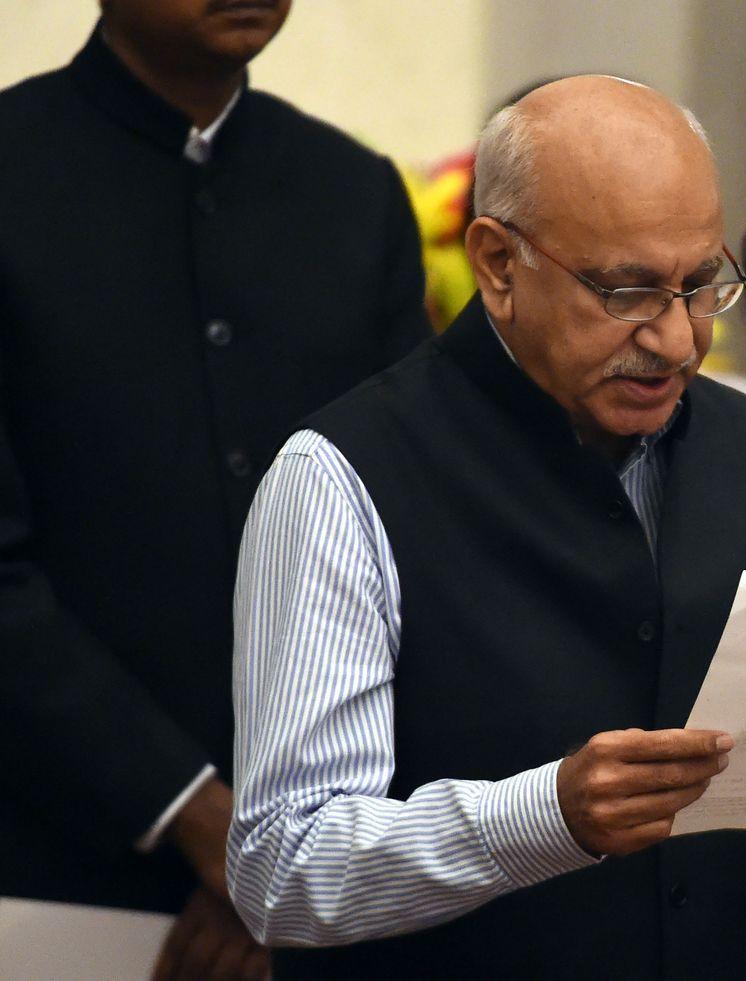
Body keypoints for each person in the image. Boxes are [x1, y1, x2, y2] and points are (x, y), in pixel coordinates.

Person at [226, 76, 746, 980]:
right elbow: (281, 868)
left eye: (700, 284)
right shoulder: (340, 478)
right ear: (497, 263)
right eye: (628, 291)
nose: (677, 340)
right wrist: (545, 817)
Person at [0, 1, 430, 978]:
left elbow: (407, 544)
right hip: (47, 860)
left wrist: (284, 846)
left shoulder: (352, 194)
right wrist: (202, 819)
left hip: (327, 867)